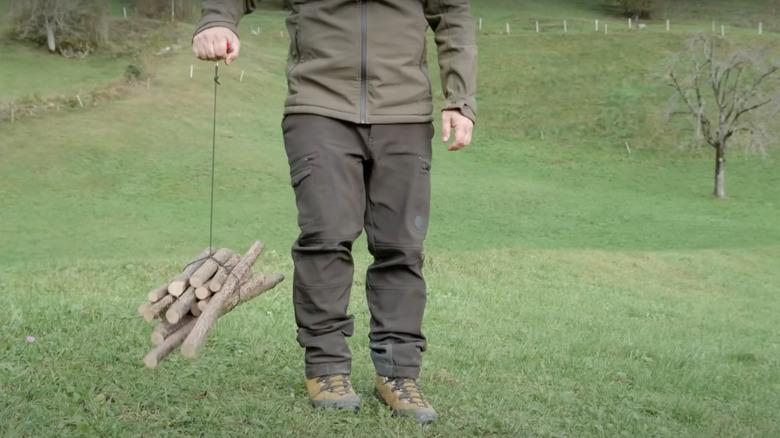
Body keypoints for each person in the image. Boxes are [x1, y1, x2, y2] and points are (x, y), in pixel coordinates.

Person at [193, 0, 476, 424]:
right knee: (325, 237)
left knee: (401, 246)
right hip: (319, 107)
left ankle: (399, 374)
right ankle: (326, 369)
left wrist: (461, 97)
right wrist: (216, 21)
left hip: (404, 113)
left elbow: (452, 12)